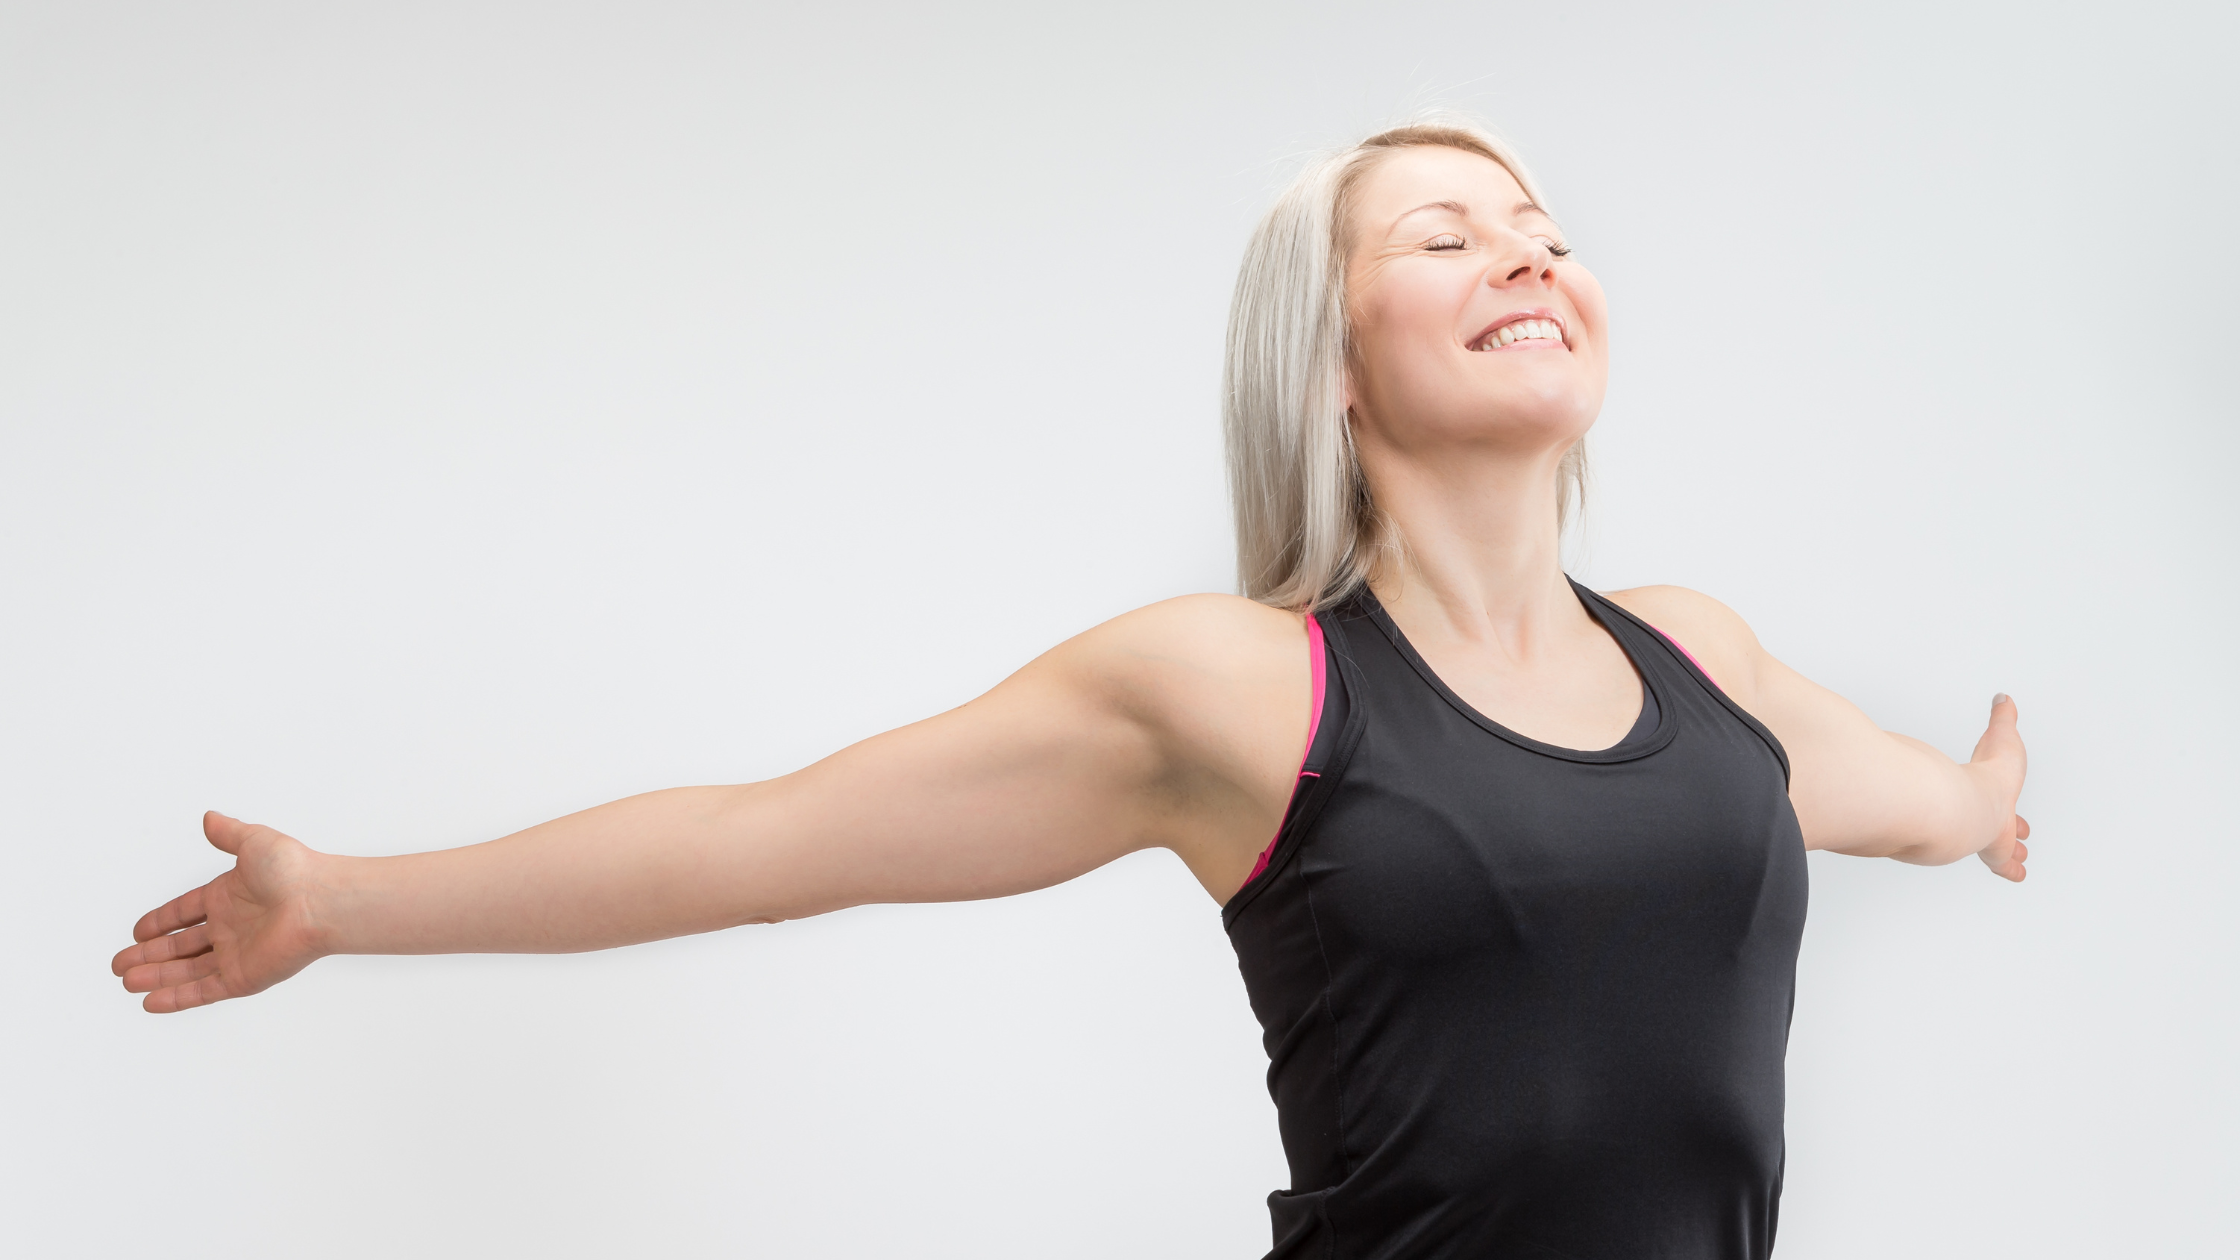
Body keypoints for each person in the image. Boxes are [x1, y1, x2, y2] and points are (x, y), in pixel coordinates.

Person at [111, 116, 2029, 1260]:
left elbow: (1898, 798)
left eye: (1541, 229)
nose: (1524, 249)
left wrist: (1978, 798)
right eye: (1443, 236)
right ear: (1334, 369)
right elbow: (772, 842)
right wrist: (346, 902)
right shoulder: (1243, 693)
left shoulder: (1699, 660)